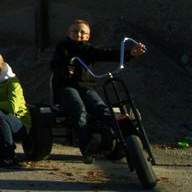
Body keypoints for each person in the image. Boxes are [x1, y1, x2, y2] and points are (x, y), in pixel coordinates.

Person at [51, 19, 146, 160]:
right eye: (75, 31)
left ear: (88, 36)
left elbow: (107, 53)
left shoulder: (89, 50)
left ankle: (129, 134)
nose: (79, 34)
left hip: (86, 87)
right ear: (69, 33)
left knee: (100, 108)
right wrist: (65, 69)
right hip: (66, 87)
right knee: (78, 108)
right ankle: (88, 146)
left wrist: (130, 54)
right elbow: (55, 64)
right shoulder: (62, 48)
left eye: (83, 32)